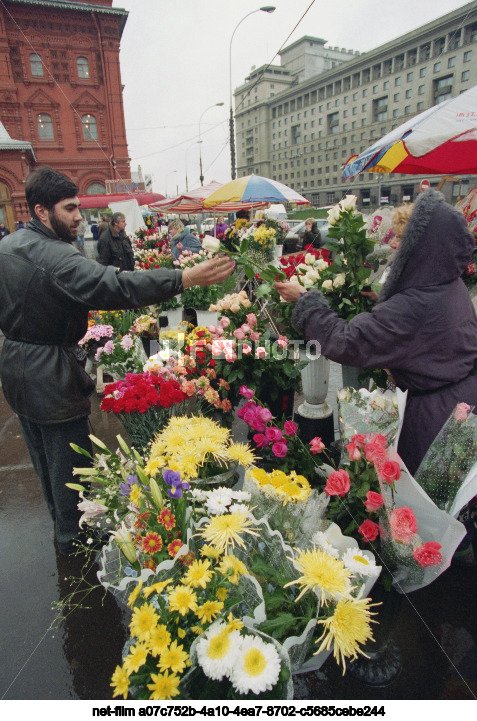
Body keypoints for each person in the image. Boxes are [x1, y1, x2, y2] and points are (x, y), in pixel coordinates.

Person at [0, 166, 234, 555]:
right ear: (42, 212)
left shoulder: (7, 247)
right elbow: (115, 285)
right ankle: (76, 546)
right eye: (70, 208)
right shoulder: (54, 255)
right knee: (69, 470)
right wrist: (183, 278)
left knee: (44, 461)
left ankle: (63, 526)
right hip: (51, 375)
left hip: (16, 367)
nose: (79, 216)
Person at [275, 189, 477, 476]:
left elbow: (346, 341)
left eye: (400, 239)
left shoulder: (412, 306)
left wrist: (306, 300)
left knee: (423, 511)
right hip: (460, 411)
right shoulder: (450, 286)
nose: (393, 244)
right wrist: (381, 299)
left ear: (419, 249)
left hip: (431, 424)